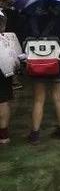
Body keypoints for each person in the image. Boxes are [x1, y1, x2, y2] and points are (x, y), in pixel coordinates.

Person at [25, 3, 60, 144]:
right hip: (58, 63)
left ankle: (35, 134)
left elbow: (24, 41)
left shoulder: (31, 18)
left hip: (37, 64)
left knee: (39, 100)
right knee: (58, 97)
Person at [0, 11, 20, 145]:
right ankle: (3, 135)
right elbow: (18, 59)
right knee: (3, 101)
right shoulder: (9, 38)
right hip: (4, 71)